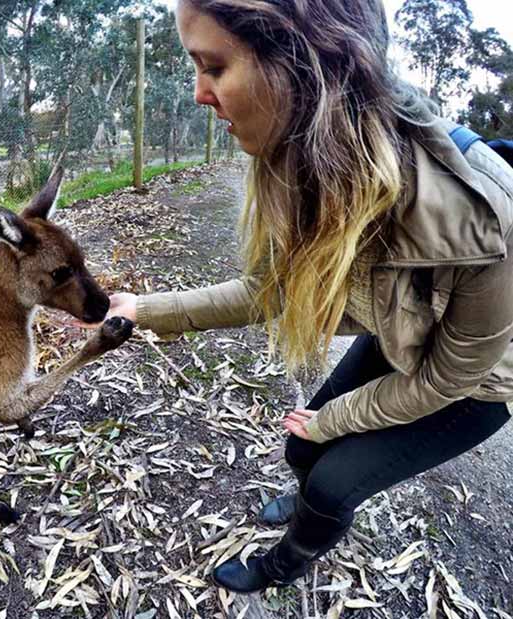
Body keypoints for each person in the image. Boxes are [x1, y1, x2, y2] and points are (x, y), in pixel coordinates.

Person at [89, 0, 513, 594]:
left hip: (475, 386)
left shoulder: (481, 216)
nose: (197, 94)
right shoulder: (303, 164)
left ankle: (284, 563)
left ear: (301, 65)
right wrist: (148, 308)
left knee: (334, 481)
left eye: (213, 67)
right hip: (401, 337)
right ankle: (304, 501)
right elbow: (270, 292)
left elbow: (446, 379)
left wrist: (333, 420)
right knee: (301, 446)